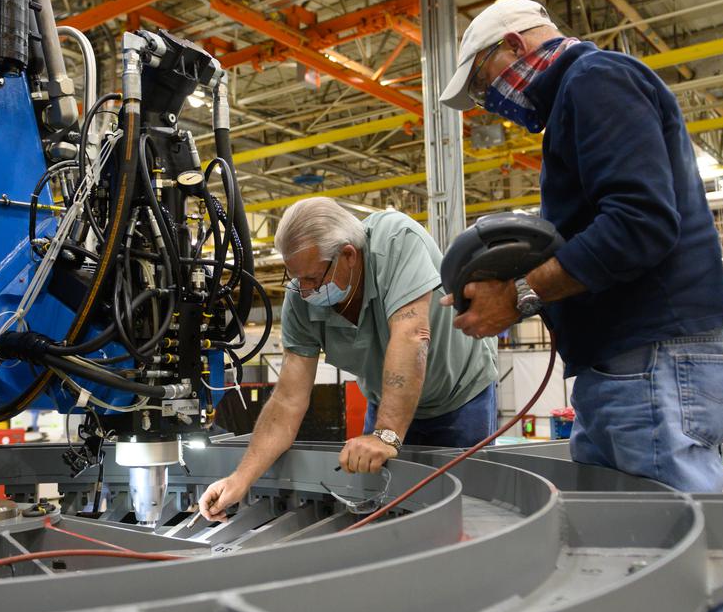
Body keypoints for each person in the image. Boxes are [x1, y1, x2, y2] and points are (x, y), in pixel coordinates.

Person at [438, 0, 723, 612]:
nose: (493, 102)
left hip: (652, 363)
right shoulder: (586, 99)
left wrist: (520, 295)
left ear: (518, 43)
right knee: (645, 565)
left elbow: (638, 224)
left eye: (489, 79)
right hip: (642, 366)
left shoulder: (595, 81)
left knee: (680, 576)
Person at [199, 198, 498, 521]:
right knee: (379, 514)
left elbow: (411, 336)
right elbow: (287, 399)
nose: (304, 290)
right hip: (386, 404)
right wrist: (239, 479)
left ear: (348, 256)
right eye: (296, 279)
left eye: (313, 278)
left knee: (467, 513)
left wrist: (385, 434)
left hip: (457, 397)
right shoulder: (301, 298)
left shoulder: (396, 242)